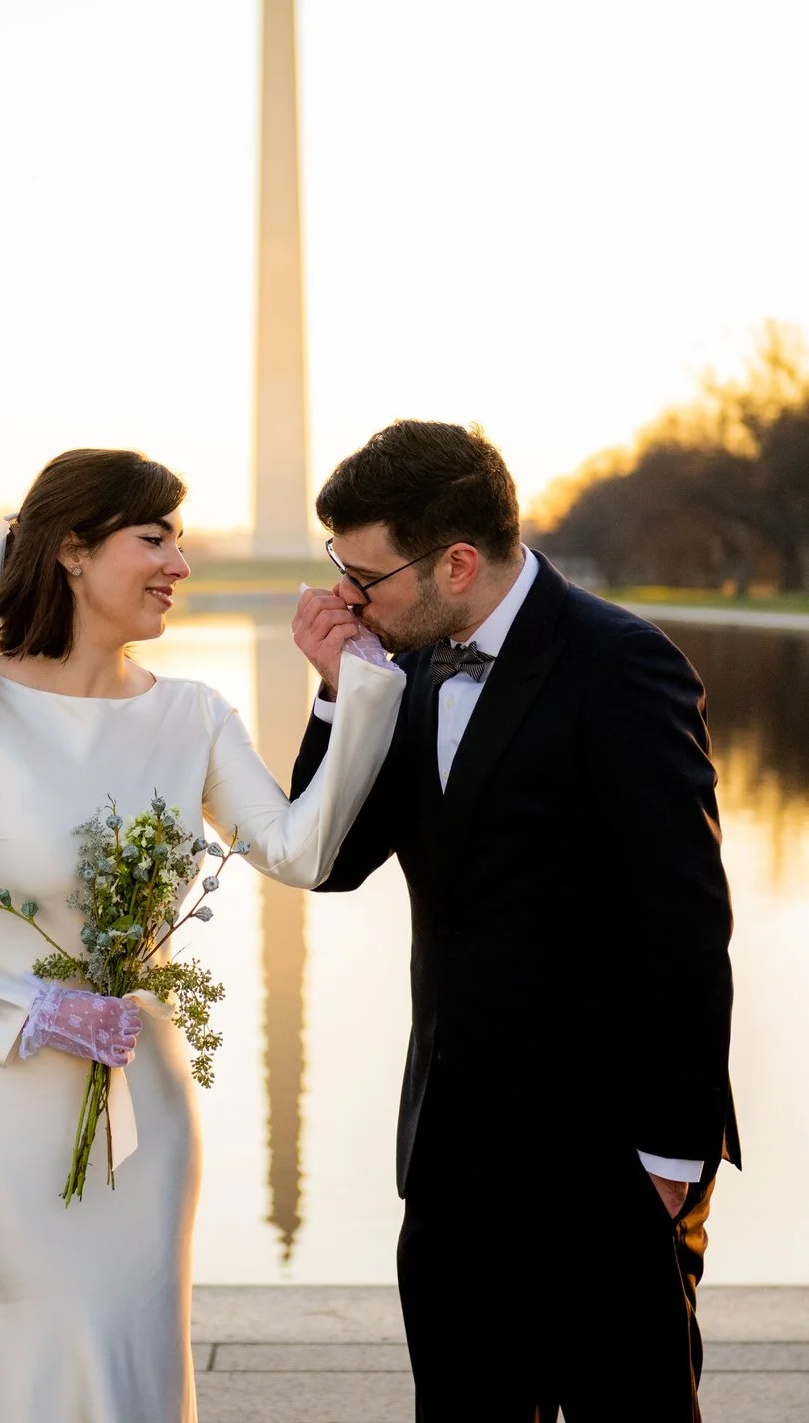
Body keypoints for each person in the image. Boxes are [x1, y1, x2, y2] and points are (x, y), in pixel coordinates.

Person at [0, 446, 404, 1423]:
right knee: (13, 1371)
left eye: (180, 539)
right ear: (69, 550)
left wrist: (347, 693)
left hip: (142, 1112)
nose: (180, 562)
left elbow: (299, 852)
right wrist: (33, 1009)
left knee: (132, 1364)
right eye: (155, 538)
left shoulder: (191, 713)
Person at [289, 420, 739, 1423]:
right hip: (449, 1154)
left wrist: (666, 1162)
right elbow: (331, 860)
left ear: (455, 561)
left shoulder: (621, 664)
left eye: (364, 573)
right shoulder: (396, 667)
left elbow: (684, 926)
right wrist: (334, 693)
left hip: (607, 1158)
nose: (344, 596)